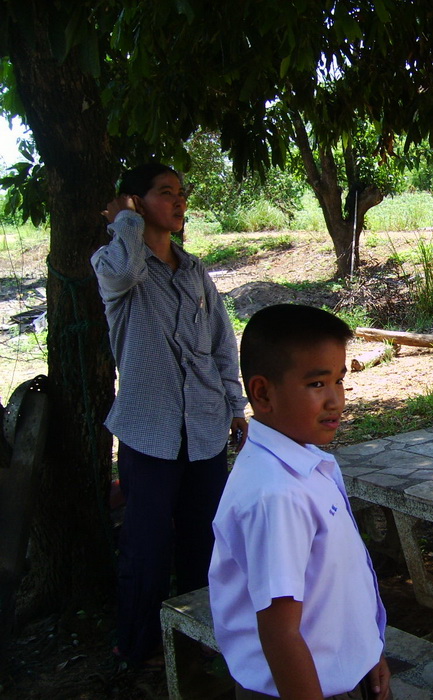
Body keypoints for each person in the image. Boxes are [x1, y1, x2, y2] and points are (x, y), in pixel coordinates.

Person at [92, 163, 248, 668]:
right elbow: (124, 273)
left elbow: (221, 342)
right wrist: (125, 220)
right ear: (137, 202)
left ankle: (201, 637)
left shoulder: (195, 270)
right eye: (165, 193)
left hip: (204, 427)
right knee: (146, 545)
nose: (179, 202)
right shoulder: (116, 263)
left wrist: (234, 405)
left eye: (181, 193)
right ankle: (138, 646)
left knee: (205, 539)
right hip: (149, 430)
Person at [209, 304, 391, 700]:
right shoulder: (276, 495)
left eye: (339, 380)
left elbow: (337, 585)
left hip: (343, 674)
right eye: (317, 384)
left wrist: (366, 651)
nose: (335, 400)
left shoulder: (305, 462)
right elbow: (281, 634)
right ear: (263, 393)